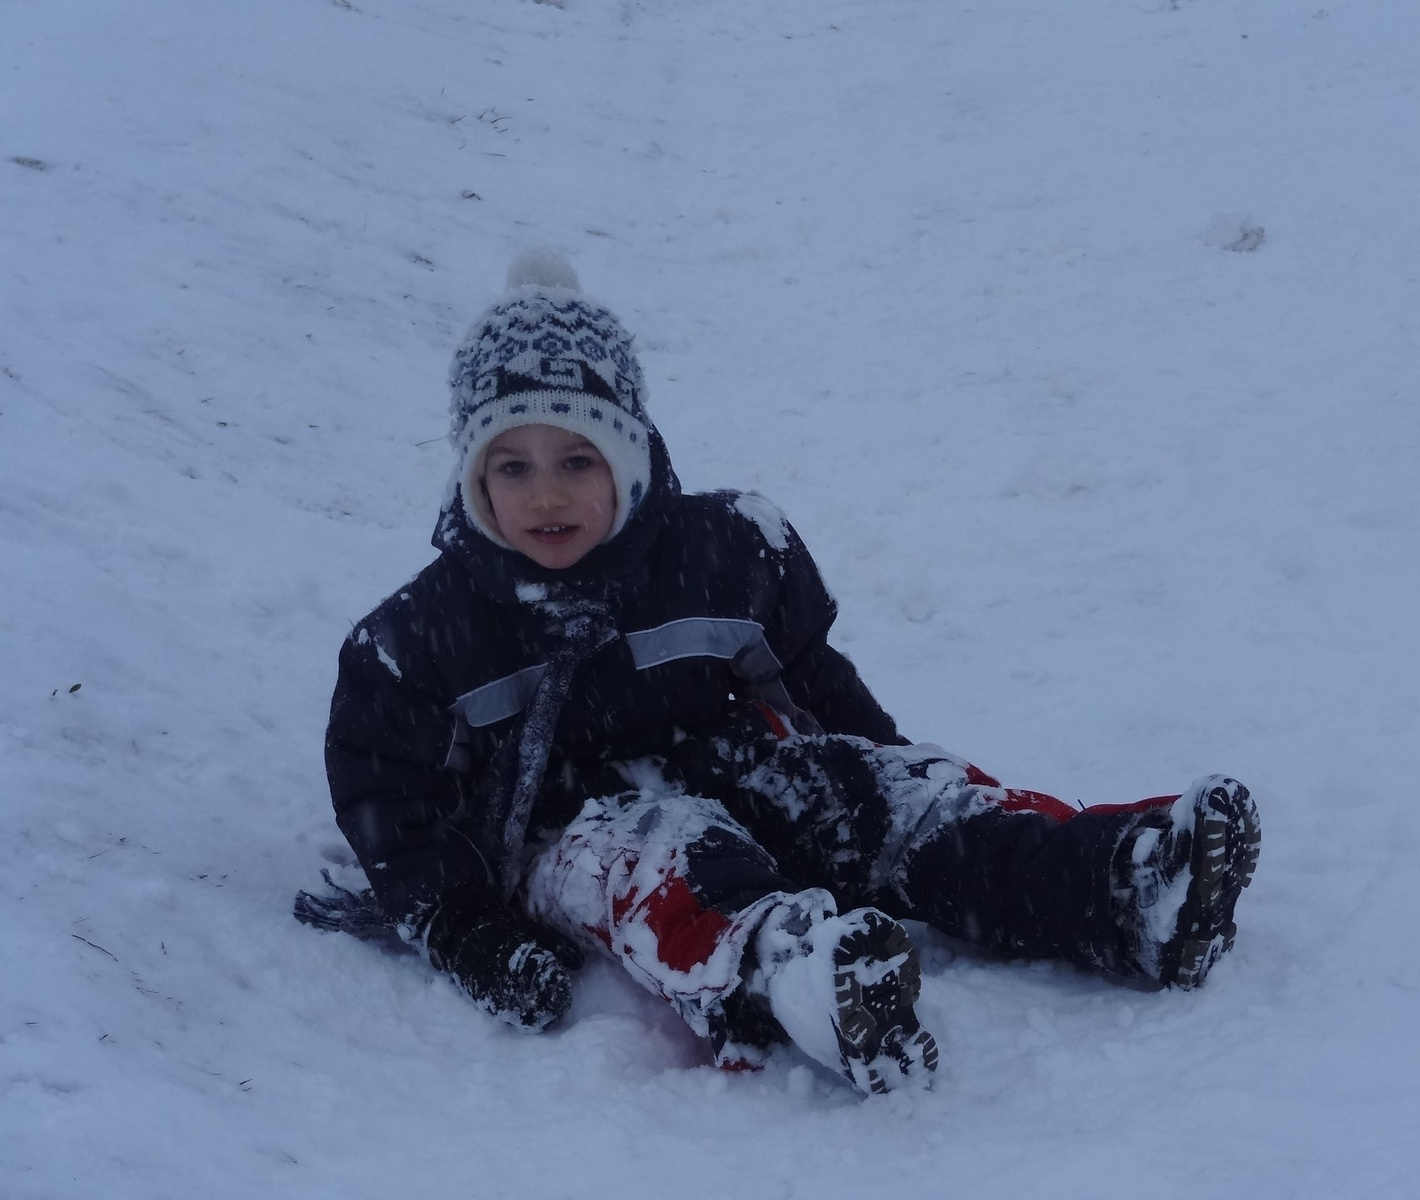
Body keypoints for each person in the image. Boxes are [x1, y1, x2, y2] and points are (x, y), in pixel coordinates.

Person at [298, 251, 1261, 1096]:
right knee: (661, 858)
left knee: (879, 803)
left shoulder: (723, 553)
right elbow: (394, 806)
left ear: (628, 457)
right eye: (511, 468)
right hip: (566, 832)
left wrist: (884, 778)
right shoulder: (420, 640)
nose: (545, 493)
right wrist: (467, 934)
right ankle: (799, 980)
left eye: (576, 459)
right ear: (471, 478)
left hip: (725, 761)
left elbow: (812, 681)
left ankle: (1123, 886)